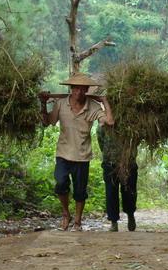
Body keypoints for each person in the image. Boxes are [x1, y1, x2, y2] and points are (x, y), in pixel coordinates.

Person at [39, 73, 114, 231]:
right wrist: (43, 103)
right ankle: (66, 214)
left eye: (82, 89)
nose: (78, 93)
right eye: (75, 89)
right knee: (60, 184)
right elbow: (47, 122)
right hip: (63, 153)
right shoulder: (60, 104)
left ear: (86, 90)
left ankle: (78, 222)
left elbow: (110, 121)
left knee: (80, 191)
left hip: (82, 156)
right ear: (71, 89)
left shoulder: (92, 106)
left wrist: (105, 101)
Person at [98, 123, 138, 232]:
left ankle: (130, 215)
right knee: (111, 192)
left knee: (129, 191)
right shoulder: (103, 123)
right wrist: (108, 154)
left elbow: (136, 139)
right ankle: (113, 222)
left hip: (128, 163)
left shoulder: (131, 122)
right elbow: (100, 140)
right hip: (110, 163)